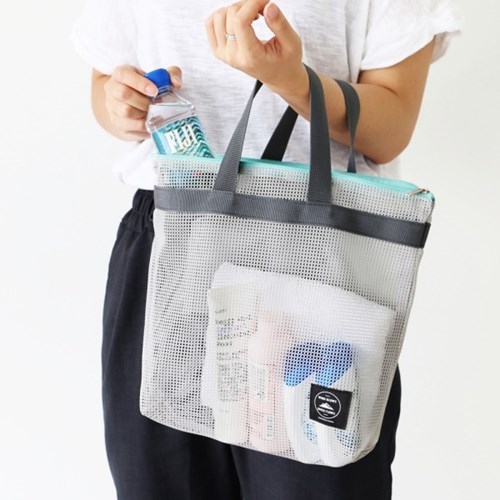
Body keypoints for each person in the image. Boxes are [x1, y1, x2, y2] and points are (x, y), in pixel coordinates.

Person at [71, 1, 461, 498]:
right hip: (172, 241)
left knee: (318, 472)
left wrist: (292, 81)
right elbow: (104, 82)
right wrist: (120, 105)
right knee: (159, 477)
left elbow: (391, 128)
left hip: (316, 251)